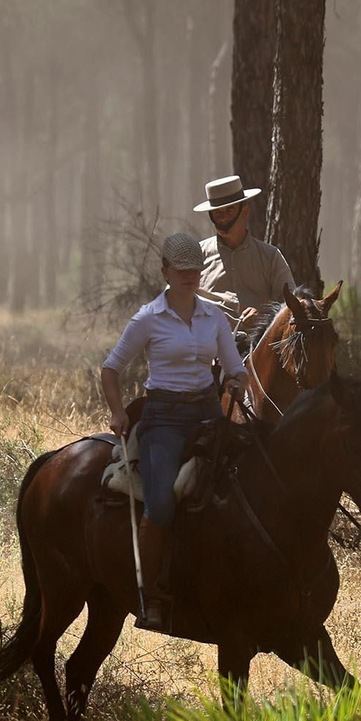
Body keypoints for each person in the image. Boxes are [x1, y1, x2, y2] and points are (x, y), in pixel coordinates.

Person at [101, 232, 247, 631]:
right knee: (162, 502)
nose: (190, 276)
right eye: (181, 269)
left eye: (195, 269)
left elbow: (235, 367)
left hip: (207, 414)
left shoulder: (214, 317)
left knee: (244, 483)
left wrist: (237, 380)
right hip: (163, 418)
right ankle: (150, 596)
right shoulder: (148, 318)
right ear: (165, 271)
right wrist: (117, 412)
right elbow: (110, 369)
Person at [194, 174, 295, 327]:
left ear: (244, 212)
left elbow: (290, 305)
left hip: (256, 343)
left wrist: (263, 317)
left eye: (230, 211)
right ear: (211, 216)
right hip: (206, 343)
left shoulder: (270, 257)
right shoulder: (196, 255)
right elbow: (174, 299)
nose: (223, 219)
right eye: (218, 213)